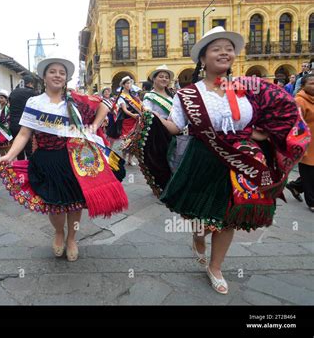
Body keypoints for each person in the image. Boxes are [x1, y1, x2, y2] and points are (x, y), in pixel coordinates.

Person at [156, 26, 309, 295]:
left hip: (241, 160)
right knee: (202, 217)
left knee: (228, 218)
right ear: (203, 59)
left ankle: (215, 267)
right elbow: (176, 126)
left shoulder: (249, 87)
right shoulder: (188, 94)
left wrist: (263, 131)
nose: (224, 53)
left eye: (229, 49)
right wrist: (153, 120)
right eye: (217, 49)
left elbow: (278, 110)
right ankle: (198, 235)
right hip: (203, 158)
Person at [0, 57, 128, 262]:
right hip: (46, 159)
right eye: (53, 72)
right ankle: (59, 232)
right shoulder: (34, 102)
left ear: (66, 78)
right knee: (55, 205)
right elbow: (24, 134)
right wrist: (9, 155)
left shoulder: (76, 100)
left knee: (74, 204)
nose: (57, 75)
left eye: (62, 72)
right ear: (44, 76)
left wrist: (93, 127)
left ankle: (73, 238)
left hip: (73, 159)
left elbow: (104, 105)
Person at [130, 65, 176, 196]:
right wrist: (160, 118)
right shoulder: (150, 96)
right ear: (154, 79)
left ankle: (172, 182)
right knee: (161, 157)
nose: (164, 79)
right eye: (161, 76)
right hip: (159, 131)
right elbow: (147, 111)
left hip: (173, 129)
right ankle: (162, 184)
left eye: (166, 77)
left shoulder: (171, 95)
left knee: (174, 156)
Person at [286, 74, 314, 212]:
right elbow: (295, 124)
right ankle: (312, 202)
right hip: (307, 143)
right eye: (312, 83)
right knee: (309, 173)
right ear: (302, 86)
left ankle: (295, 186)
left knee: (311, 173)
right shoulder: (299, 101)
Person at [106, 76, 142, 165]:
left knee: (134, 139)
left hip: (135, 120)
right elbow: (125, 110)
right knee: (126, 139)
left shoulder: (133, 96)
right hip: (127, 120)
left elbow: (140, 104)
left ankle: (130, 159)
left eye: (130, 83)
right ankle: (124, 158)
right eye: (127, 83)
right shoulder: (121, 97)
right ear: (123, 85)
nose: (129, 85)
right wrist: (133, 115)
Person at [8, 75, 35, 160]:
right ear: (30, 83)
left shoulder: (13, 92)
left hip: (13, 124)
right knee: (29, 150)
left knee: (18, 150)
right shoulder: (32, 92)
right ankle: (30, 169)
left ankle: (20, 169)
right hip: (26, 124)